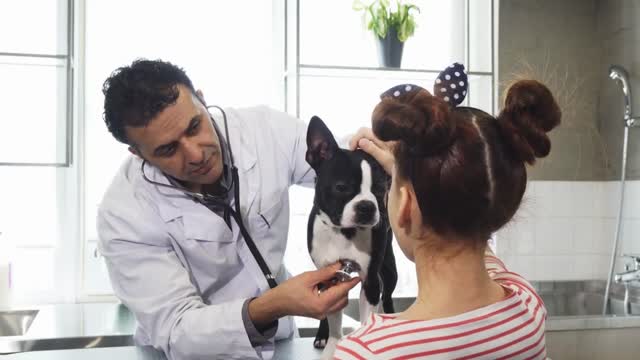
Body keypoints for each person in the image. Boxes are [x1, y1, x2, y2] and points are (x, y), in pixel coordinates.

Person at [96, 59, 359, 360]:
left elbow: (341, 169)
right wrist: (276, 303)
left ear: (202, 99)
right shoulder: (123, 213)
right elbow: (176, 328)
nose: (195, 154)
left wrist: (376, 152)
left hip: (282, 346)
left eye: (195, 126)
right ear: (138, 154)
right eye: (168, 149)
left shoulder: (264, 132)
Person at [336, 70, 560, 359]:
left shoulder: (369, 352)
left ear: (405, 205)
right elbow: (473, 220)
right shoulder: (527, 308)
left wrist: (403, 172)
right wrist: (406, 173)